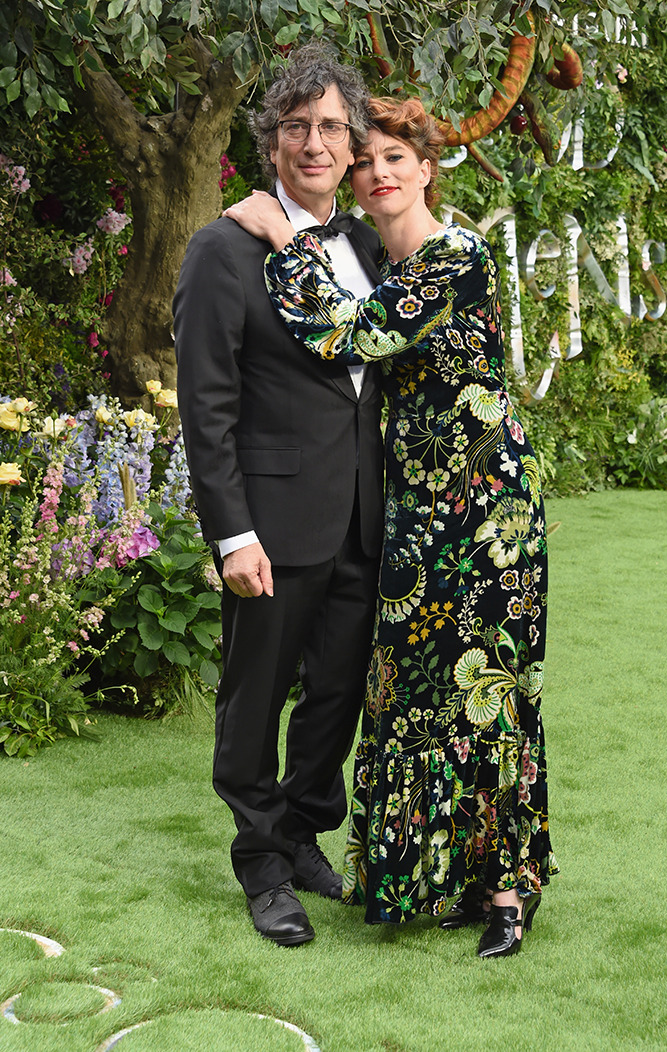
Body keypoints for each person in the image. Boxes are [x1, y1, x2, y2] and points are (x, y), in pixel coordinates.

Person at [224, 96, 559, 958]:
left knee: (491, 696)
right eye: (364, 159)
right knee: (414, 695)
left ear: (428, 167)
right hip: (411, 511)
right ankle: (438, 876)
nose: (376, 173)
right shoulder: (374, 256)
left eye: (395, 159)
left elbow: (348, 336)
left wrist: (285, 239)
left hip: (488, 512)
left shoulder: (458, 258)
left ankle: (508, 893)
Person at [173, 44, 385, 947]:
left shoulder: (368, 245)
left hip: (360, 521)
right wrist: (233, 536)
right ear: (272, 140)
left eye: (331, 126)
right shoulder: (222, 249)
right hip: (271, 523)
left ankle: (299, 834)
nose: (314, 143)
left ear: (351, 143)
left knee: (336, 693)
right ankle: (261, 863)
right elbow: (206, 408)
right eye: (296, 125)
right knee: (255, 699)